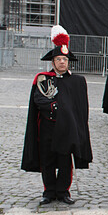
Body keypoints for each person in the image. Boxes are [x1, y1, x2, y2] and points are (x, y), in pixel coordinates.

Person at [21, 25, 92, 205]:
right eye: (59, 59)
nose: (62, 62)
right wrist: (56, 106)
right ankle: (48, 191)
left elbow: (81, 107)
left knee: (65, 161)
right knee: (48, 160)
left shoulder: (77, 81)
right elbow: (39, 99)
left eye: (65, 59)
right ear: (52, 62)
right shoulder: (43, 79)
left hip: (67, 128)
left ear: (69, 62)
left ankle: (63, 191)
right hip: (48, 127)